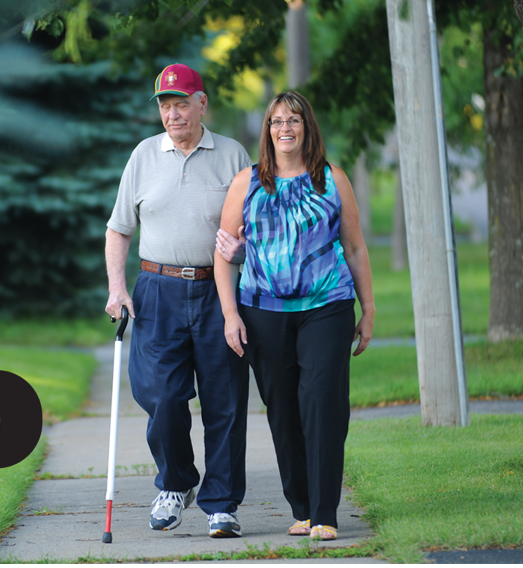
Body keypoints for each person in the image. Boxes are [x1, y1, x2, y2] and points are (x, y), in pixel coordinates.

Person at [213, 91, 375, 541]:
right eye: (277, 121)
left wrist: (369, 309)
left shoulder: (332, 179)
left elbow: (356, 247)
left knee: (322, 404)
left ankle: (326, 513)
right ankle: (302, 508)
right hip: (263, 313)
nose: (285, 128)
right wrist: (230, 315)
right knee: (283, 412)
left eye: (294, 120)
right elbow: (224, 255)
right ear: (267, 130)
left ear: (307, 128)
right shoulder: (246, 184)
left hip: (327, 308)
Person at [104, 63, 251, 538]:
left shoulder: (233, 156)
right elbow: (118, 228)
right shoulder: (144, 156)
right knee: (162, 396)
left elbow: (254, 227)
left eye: (181, 103)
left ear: (202, 103)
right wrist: (117, 289)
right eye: (166, 106)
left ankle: (222, 503)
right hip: (157, 290)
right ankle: (175, 482)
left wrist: (245, 251)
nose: (173, 114)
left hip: (218, 290)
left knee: (224, 400)